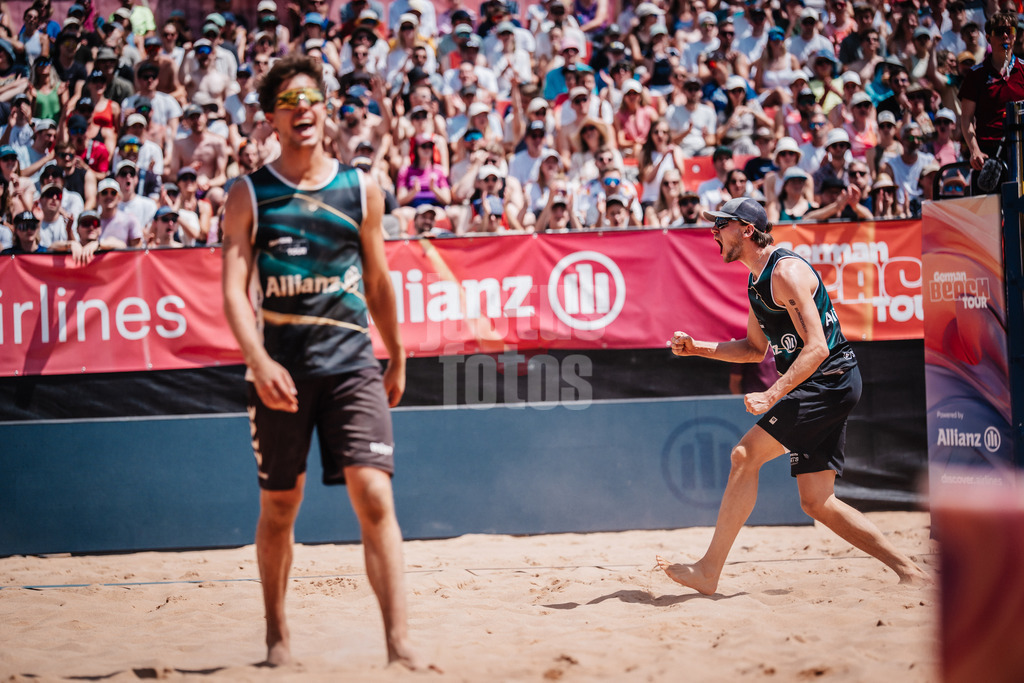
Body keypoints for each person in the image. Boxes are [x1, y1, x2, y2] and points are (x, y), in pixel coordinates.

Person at [220, 54, 434, 671]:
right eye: (289, 103)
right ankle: (277, 638)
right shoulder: (250, 193)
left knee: (374, 498)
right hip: (281, 373)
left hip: (351, 365)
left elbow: (379, 279)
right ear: (271, 120)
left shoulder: (359, 187)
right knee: (280, 507)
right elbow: (233, 291)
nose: (302, 110)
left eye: (311, 98)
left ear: (325, 109)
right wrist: (257, 361)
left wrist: (397, 354)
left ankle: (399, 646)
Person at [657, 197, 929, 595]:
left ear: (747, 230)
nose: (713, 231)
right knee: (818, 502)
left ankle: (709, 570)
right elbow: (754, 349)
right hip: (824, 382)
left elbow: (817, 347)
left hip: (828, 379)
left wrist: (772, 394)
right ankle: (910, 570)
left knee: (744, 456)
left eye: (721, 225)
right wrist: (697, 347)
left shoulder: (785, 272)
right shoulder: (756, 279)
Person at [959, 11, 1024, 193]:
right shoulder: (976, 75)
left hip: (1021, 149)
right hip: (989, 154)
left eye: (1009, 30)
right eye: (999, 31)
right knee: (989, 217)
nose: (1005, 35)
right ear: (988, 37)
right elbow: (966, 119)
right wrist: (974, 151)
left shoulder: (1023, 69)